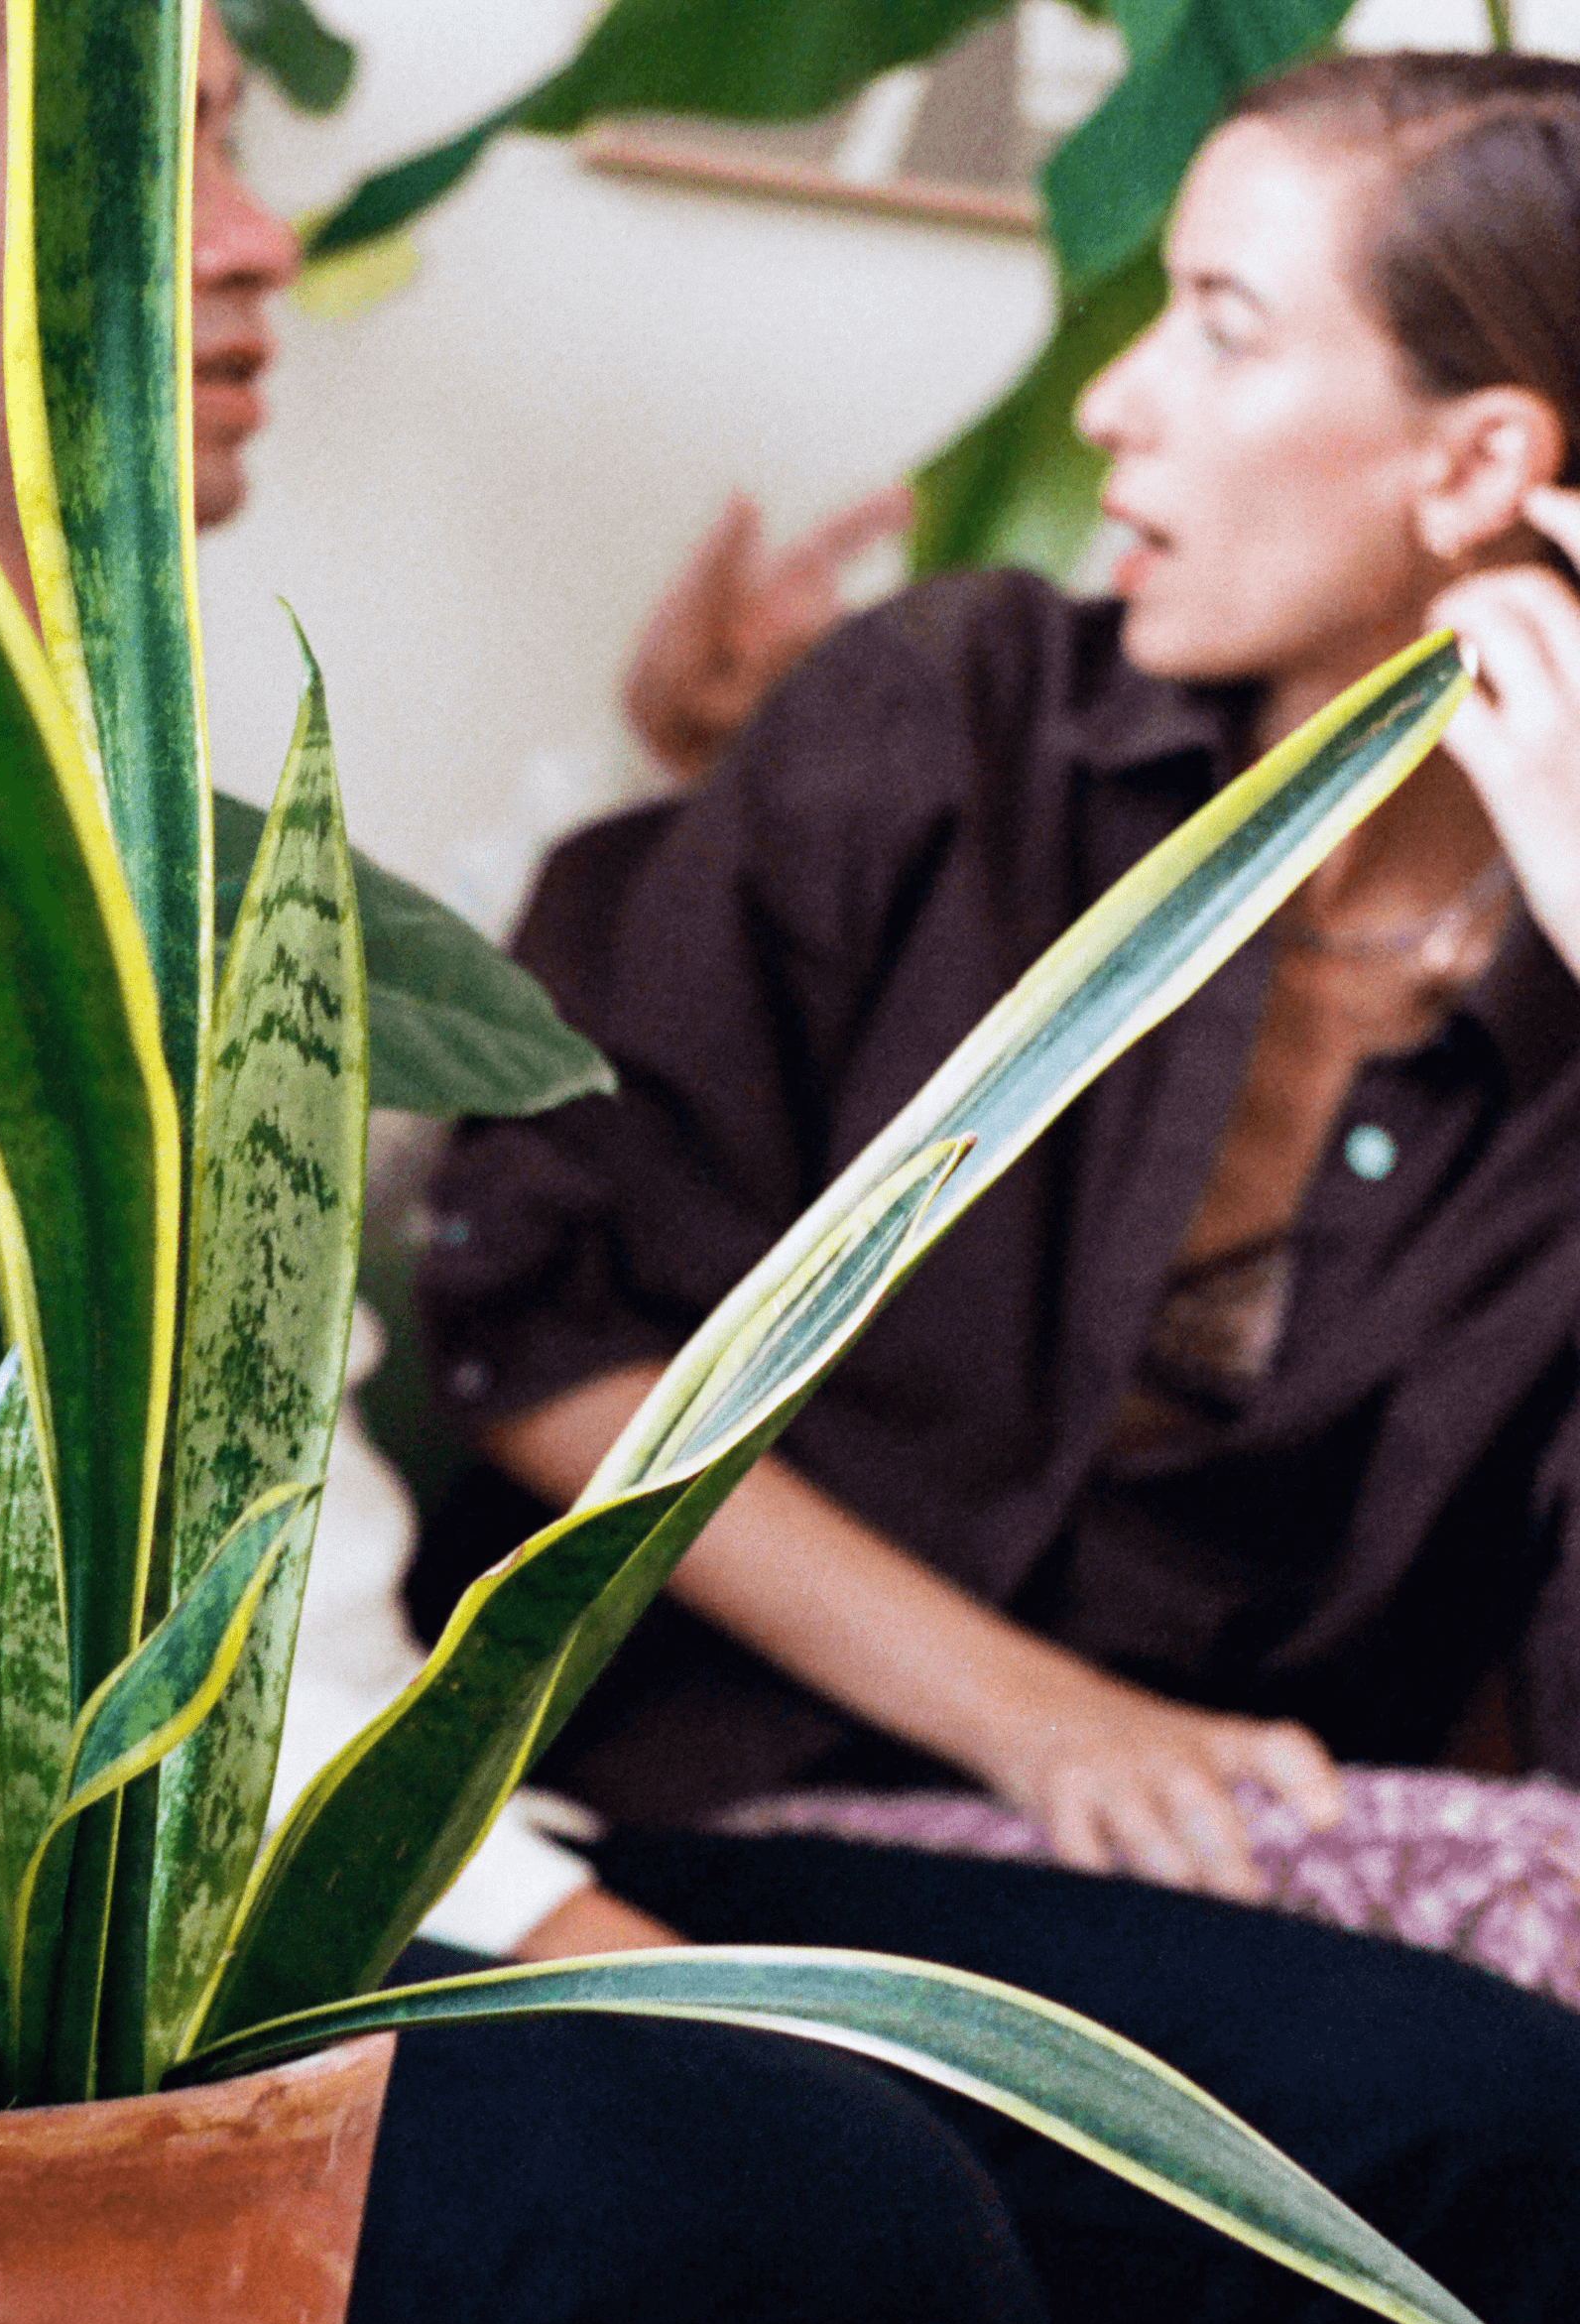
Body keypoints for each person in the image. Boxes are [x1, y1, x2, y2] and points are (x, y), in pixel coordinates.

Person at [0, 0, 1580, 2324]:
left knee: (1504, 2147)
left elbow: (344, 1388)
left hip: (467, 1803)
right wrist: (586, 1939)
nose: (256, 238)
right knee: (808, 2242)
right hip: (115, 1925)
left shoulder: (137, 721)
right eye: (157, 152)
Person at [419, 52, 1580, 1926]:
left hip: (1245, 1893)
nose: (1115, 406)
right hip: (707, 1807)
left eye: (1219, 327)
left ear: (1477, 466)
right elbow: (538, 1327)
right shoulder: (952, 717)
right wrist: (1054, 1725)